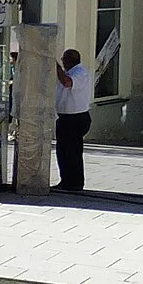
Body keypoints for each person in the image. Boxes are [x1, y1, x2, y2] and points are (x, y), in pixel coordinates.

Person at [53, 48, 94, 192]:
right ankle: (65, 180)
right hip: (65, 116)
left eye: (64, 59)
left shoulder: (80, 73)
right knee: (62, 150)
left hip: (75, 117)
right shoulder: (70, 72)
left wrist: (56, 67)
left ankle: (75, 183)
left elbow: (66, 83)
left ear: (70, 60)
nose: (62, 61)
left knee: (73, 151)